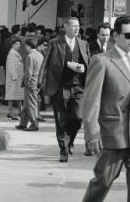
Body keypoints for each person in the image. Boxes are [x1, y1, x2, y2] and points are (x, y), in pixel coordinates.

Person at [81, 15, 130, 202]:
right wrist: (92, 134)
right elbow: (91, 101)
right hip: (112, 134)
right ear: (115, 35)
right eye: (128, 35)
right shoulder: (101, 61)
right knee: (102, 182)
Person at [40, 17, 91, 162]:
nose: (76, 29)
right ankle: (63, 149)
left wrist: (83, 68)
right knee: (60, 119)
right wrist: (39, 82)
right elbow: (45, 64)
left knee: (78, 117)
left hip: (78, 86)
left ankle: (71, 139)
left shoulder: (83, 44)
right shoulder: (54, 43)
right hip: (60, 86)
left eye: (78, 26)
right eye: (73, 26)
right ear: (66, 27)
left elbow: (89, 63)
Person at [16, 38, 44, 131]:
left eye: (26, 46)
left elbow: (28, 72)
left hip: (30, 83)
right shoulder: (40, 55)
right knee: (27, 104)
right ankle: (23, 123)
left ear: (28, 46)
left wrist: (26, 83)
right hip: (36, 82)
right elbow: (42, 71)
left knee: (31, 105)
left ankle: (34, 124)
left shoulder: (30, 56)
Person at [5, 37, 24, 120]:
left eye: (19, 44)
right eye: (16, 44)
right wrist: (14, 76)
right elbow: (11, 66)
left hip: (16, 79)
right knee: (12, 97)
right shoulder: (12, 54)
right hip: (14, 79)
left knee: (16, 97)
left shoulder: (15, 53)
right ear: (12, 45)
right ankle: (11, 113)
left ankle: (19, 113)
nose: (18, 45)